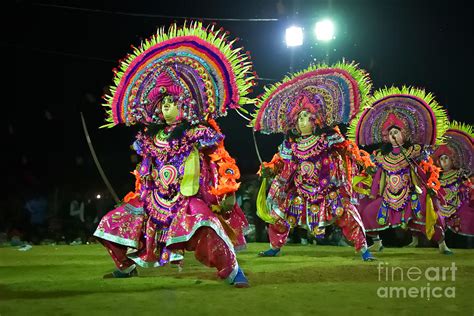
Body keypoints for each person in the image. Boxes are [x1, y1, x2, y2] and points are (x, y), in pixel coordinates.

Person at [93, 21, 255, 287]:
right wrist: (140, 193)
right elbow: (145, 170)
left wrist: (228, 190)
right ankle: (126, 266)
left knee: (206, 228)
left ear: (187, 104)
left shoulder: (199, 133)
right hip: (153, 199)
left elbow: (222, 160)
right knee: (110, 224)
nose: (167, 109)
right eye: (164, 104)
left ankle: (233, 271)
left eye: (173, 103)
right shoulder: (150, 138)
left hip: (186, 198)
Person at [252, 61, 375, 261]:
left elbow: (350, 150)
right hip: (300, 191)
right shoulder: (291, 145)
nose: (303, 122)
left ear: (316, 119)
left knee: (348, 215)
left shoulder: (328, 138)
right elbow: (279, 163)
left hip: (328, 189)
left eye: (307, 117)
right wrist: (268, 169)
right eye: (300, 118)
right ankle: (274, 246)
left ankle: (364, 250)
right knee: (278, 216)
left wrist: (366, 164)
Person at [349, 86, 452, 254]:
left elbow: (421, 169)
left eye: (397, 132)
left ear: (404, 134)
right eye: (391, 133)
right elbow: (379, 176)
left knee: (429, 211)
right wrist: (373, 192)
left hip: (410, 193)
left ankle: (442, 244)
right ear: (386, 137)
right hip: (388, 196)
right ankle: (376, 242)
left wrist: (428, 186)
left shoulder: (414, 151)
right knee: (367, 211)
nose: (394, 136)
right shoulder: (382, 156)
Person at [432, 121, 474, 239]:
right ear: (438, 162)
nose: (444, 161)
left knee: (467, 215)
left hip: (458, 206)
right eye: (441, 159)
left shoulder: (459, 174)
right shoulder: (436, 176)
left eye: (446, 158)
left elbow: (467, 188)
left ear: (452, 159)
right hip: (440, 208)